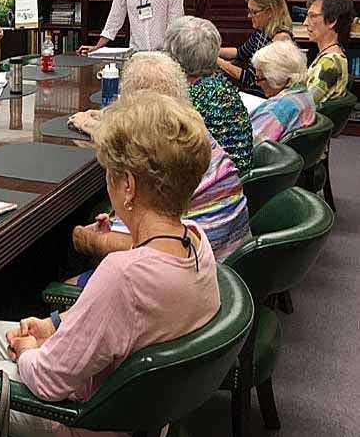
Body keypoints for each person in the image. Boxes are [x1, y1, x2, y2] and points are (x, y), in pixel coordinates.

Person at [0, 92, 220, 437]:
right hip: (142, 414)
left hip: (95, 428)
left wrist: (27, 350)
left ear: (129, 186)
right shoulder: (195, 241)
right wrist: (52, 326)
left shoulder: (123, 275)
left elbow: (47, 380)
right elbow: (120, 324)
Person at [68, 52, 250, 262]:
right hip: (230, 264)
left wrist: (86, 239)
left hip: (190, 274)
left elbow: (150, 249)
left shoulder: (152, 162)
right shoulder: (195, 135)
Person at [165, 15, 253, 176]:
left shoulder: (189, 100)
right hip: (239, 179)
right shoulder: (223, 85)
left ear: (176, 60)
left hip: (214, 186)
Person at [217, 0, 294, 91]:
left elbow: (252, 79)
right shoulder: (262, 31)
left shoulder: (280, 40)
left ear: (270, 12)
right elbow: (241, 53)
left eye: (254, 12)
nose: (249, 16)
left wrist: (219, 62)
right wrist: (213, 51)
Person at [249, 41, 315, 143]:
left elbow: (243, 148)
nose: (257, 84)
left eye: (259, 79)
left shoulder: (277, 110)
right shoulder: (303, 93)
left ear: (277, 77)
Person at [305, 0, 352, 105]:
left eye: (312, 16)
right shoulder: (330, 55)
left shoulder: (329, 63)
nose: (305, 22)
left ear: (332, 21)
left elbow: (303, 106)